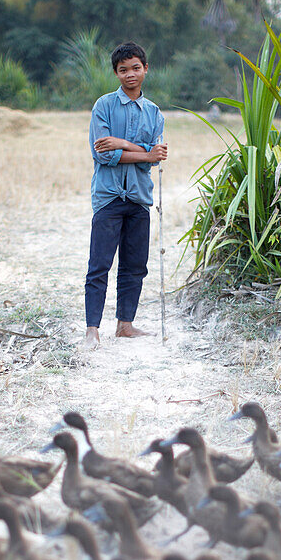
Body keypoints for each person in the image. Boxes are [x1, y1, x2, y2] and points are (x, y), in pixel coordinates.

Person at [84, 41, 167, 349]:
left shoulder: (155, 113)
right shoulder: (103, 106)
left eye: (135, 68)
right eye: (123, 70)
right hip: (108, 197)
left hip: (139, 199)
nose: (130, 75)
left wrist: (124, 144)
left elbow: (158, 156)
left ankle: (125, 325)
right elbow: (104, 154)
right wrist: (144, 153)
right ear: (116, 74)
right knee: (100, 264)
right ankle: (92, 329)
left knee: (134, 265)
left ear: (145, 69)